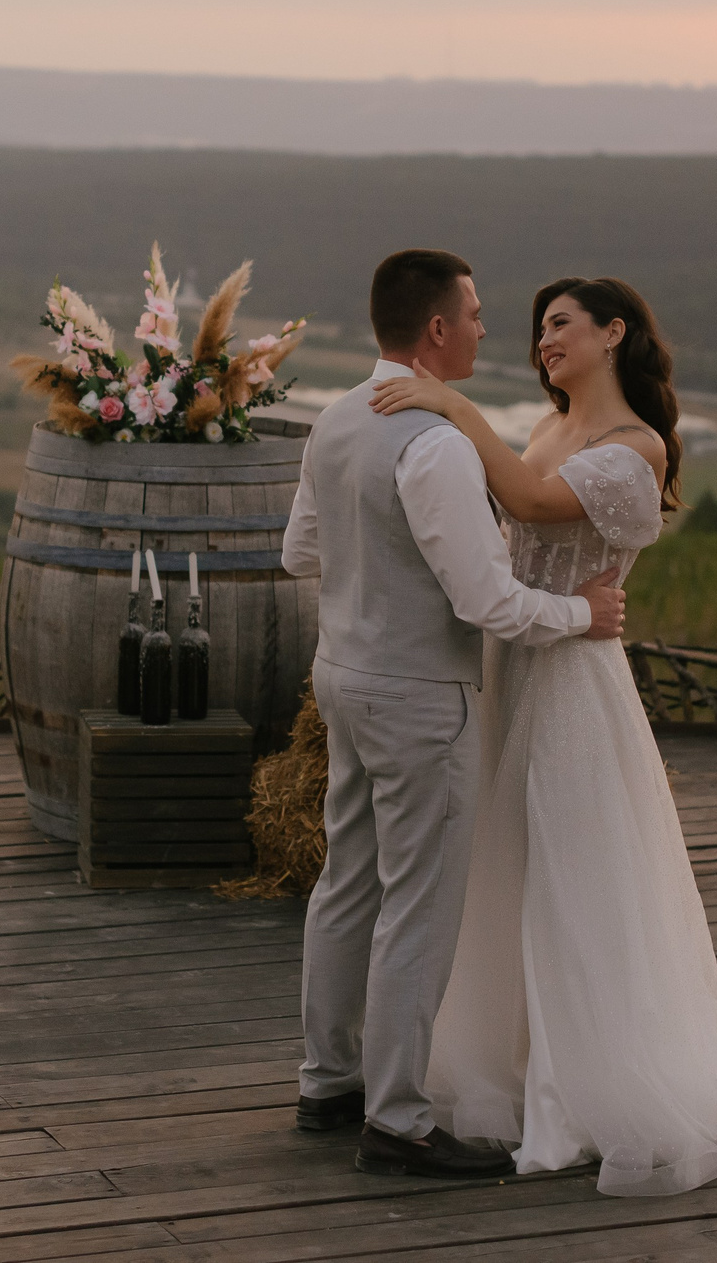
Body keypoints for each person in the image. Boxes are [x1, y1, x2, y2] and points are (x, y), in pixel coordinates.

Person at [368, 275, 717, 1196]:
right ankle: (515, 1064)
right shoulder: (546, 429)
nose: (542, 340)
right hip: (513, 664)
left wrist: (449, 402)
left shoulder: (633, 448)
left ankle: (590, 1080)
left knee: (574, 874)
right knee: (507, 866)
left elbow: (530, 505)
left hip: (573, 685)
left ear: (615, 333)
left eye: (560, 324)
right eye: (536, 329)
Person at [282, 249, 631, 1179]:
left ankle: (328, 1082)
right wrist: (581, 614)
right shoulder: (435, 446)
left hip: (341, 673)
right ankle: (395, 1119)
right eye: (473, 313)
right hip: (418, 696)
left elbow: (297, 553)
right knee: (420, 904)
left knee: (346, 879)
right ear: (436, 329)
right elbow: (490, 604)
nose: (486, 327)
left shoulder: (336, 418)